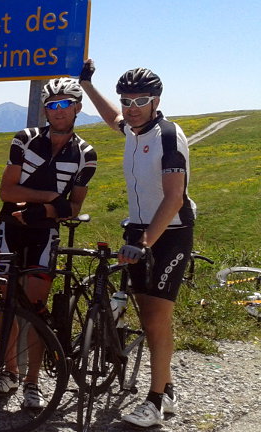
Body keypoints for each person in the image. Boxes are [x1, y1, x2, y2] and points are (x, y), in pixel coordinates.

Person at [79, 61, 195, 427]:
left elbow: (174, 197)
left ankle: (156, 402)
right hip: (139, 231)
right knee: (147, 315)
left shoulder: (168, 136)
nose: (132, 108)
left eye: (140, 100)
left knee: (156, 318)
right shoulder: (132, 129)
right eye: (126, 100)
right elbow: (111, 117)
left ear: (156, 100)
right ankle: (168, 389)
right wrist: (87, 85)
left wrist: (145, 243)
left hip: (170, 232)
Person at [0, 77, 98, 408]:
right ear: (45, 110)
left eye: (65, 104)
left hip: (43, 233)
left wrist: (42, 211)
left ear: (77, 108)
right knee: (6, 304)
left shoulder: (86, 154)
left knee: (36, 308)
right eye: (52, 105)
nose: (59, 110)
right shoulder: (24, 139)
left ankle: (33, 382)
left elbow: (74, 207)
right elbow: (7, 191)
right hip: (11, 228)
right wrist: (52, 198)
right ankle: (9, 371)